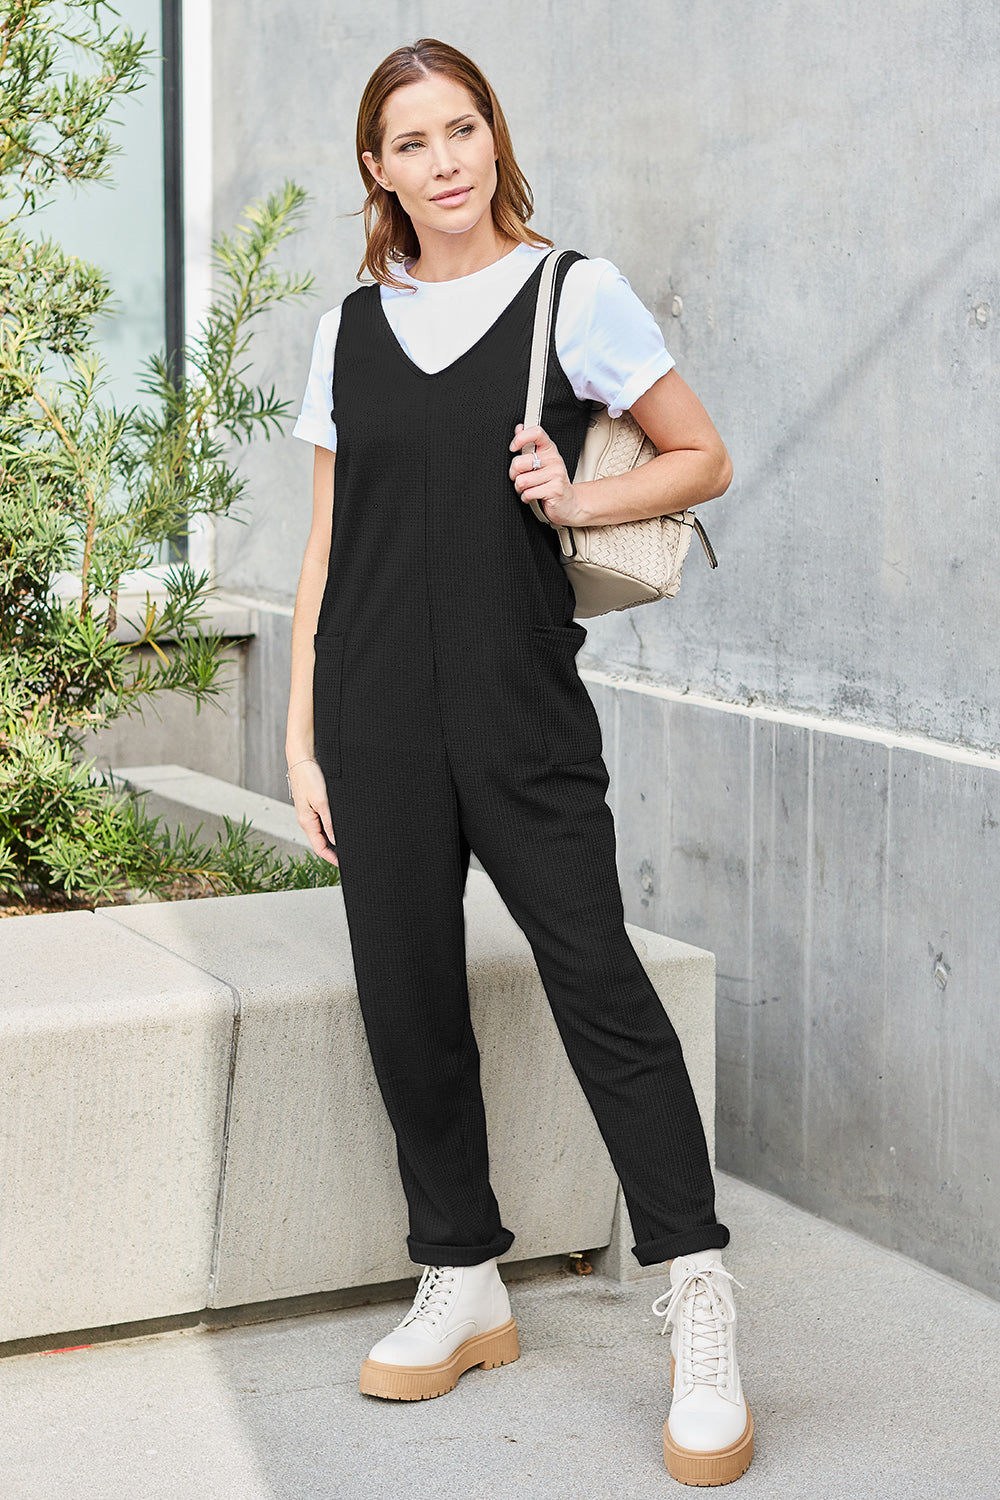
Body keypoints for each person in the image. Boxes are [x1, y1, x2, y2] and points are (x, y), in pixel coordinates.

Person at [287, 38, 751, 1487]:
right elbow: (323, 545)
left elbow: (702, 456)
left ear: (496, 137)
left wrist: (582, 488)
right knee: (408, 1001)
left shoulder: (573, 294)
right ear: (378, 170)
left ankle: (696, 1294)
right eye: (413, 141)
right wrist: (300, 733)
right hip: (371, 722)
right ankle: (463, 1278)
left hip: (520, 710)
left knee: (601, 989)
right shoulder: (349, 328)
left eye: (465, 128)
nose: (446, 160)